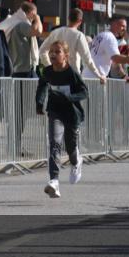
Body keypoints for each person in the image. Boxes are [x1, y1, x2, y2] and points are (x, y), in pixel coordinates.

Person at [36, 40, 89, 199]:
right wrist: (39, 103)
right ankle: (54, 181)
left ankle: (76, 161)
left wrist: (69, 97)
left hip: (72, 114)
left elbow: (84, 93)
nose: (52, 54)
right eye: (51, 51)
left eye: (57, 52)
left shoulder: (72, 73)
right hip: (55, 112)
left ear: (66, 56)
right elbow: (42, 86)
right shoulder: (48, 71)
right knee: (54, 143)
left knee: (70, 146)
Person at [38, 8, 106, 84]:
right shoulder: (79, 35)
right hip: (72, 76)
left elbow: (42, 50)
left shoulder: (55, 32)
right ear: (80, 21)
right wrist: (99, 75)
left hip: (56, 75)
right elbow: (87, 59)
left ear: (68, 18)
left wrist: (49, 66)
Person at [84, 17, 129, 81]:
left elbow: (116, 65)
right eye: (122, 26)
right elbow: (117, 59)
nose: (124, 29)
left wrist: (125, 76)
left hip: (89, 76)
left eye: (125, 27)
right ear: (114, 25)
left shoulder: (101, 35)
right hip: (95, 78)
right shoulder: (110, 38)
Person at [3, 1, 45, 79]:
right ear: (31, 12)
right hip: (24, 69)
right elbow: (38, 31)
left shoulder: (13, 22)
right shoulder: (21, 24)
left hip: (15, 67)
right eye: (34, 14)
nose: (33, 18)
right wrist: (38, 18)